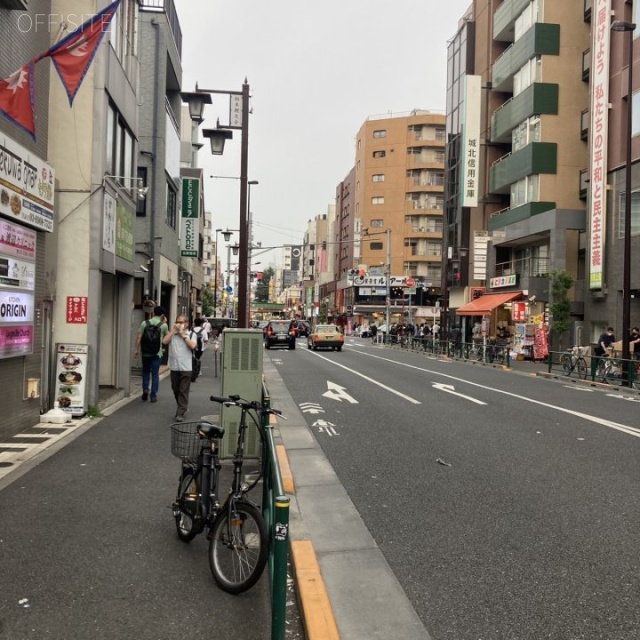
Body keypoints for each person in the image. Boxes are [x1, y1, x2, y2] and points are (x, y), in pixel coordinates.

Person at [162, 314, 196, 422]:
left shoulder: (191, 334)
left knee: (183, 390)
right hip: (174, 366)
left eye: (181, 322)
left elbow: (192, 346)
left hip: (186, 366)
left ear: (186, 324)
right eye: (177, 322)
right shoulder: (173, 334)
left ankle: (180, 413)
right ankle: (183, 407)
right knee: (175, 389)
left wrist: (183, 335)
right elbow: (164, 341)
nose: (179, 324)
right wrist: (173, 331)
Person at [133, 306, 168, 403]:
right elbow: (167, 339)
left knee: (145, 372)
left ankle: (145, 390)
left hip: (145, 352)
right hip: (157, 352)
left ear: (153, 312)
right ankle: (153, 395)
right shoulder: (163, 325)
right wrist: (165, 322)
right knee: (155, 373)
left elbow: (139, 337)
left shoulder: (145, 323)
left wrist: (136, 349)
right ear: (162, 315)